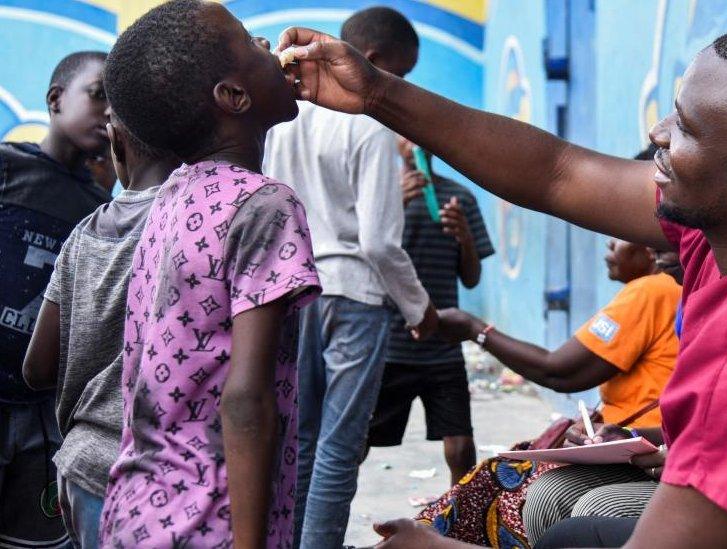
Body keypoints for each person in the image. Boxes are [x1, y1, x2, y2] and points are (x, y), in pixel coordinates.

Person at [279, 25, 727, 547]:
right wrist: (376, 92)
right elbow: (556, 170)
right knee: (567, 530)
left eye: (688, 129)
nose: (658, 133)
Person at [96, 1, 321, 546]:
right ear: (234, 97)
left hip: (137, 510)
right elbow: (246, 398)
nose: (269, 46)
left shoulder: (173, 197)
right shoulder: (264, 206)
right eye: (250, 40)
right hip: (210, 523)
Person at [263, 7, 437, 547]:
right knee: (340, 446)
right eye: (401, 75)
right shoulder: (370, 127)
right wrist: (418, 307)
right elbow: (380, 241)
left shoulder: (283, 119)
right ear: (374, 61)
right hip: (354, 297)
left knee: (303, 441)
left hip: (294, 293)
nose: (400, 88)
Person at [418, 237, 680, 546]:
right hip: (629, 439)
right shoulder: (666, 293)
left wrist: (475, 330)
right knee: (539, 488)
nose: (609, 244)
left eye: (622, 235)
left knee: (507, 482)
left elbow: (559, 370)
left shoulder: (653, 290)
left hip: (642, 450)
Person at [21, 111, 179, 547]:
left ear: (115, 140)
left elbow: (36, 368)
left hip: (80, 467)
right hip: (157, 475)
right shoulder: (197, 222)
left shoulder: (84, 233)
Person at [0, 50, 111, 549]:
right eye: (98, 94)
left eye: (118, 104)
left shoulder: (99, 213)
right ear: (54, 99)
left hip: (38, 415)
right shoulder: (7, 169)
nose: (109, 112)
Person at [366, 137, 494, 486]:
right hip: (389, 343)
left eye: (418, 133)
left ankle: (458, 521)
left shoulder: (460, 198)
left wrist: (465, 237)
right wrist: (389, 206)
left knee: (461, 444)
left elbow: (470, 279)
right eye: (403, 135)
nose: (413, 141)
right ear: (392, 143)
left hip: (443, 344)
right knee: (356, 441)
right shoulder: (376, 195)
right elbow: (365, 260)